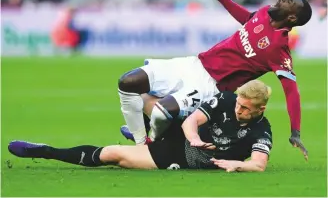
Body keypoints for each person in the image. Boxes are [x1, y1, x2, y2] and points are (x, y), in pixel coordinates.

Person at [117, 0, 311, 160]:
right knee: (128, 82)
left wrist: (296, 131)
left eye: (288, 1)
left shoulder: (279, 50)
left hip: (210, 85)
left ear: (292, 17)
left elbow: (291, 91)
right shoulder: (263, 12)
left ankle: (151, 143)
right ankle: (142, 141)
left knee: (160, 113)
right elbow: (246, 18)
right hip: (194, 63)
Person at [9, 80, 273, 172]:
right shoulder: (226, 99)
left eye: (245, 108)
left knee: (111, 155)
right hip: (182, 133)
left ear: (260, 109)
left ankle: (45, 151)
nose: (238, 109)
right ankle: (148, 134)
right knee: (147, 100)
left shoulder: (262, 130)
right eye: (239, 103)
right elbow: (193, 120)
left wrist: (237, 164)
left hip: (179, 156)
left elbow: (259, 164)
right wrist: (193, 137)